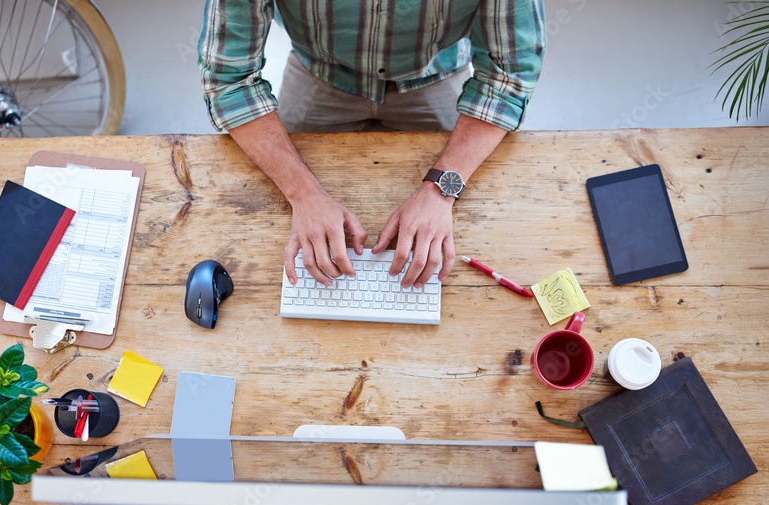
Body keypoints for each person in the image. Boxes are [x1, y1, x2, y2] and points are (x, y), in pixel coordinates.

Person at [198, 0, 545, 289]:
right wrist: (303, 194)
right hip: (319, 73)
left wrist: (442, 188)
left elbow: (508, 76)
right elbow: (230, 80)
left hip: (434, 73)